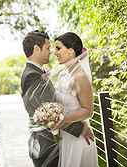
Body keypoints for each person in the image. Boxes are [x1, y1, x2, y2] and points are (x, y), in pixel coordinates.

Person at [21, 30, 88, 167]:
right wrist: (80, 128)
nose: (51, 51)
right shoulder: (32, 75)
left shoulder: (37, 72)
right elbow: (48, 110)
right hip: (45, 143)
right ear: (36, 49)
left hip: (52, 139)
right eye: (47, 48)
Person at [54, 32, 98, 167]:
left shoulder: (80, 76)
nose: (54, 52)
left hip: (78, 139)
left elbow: (88, 111)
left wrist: (60, 118)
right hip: (67, 135)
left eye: (58, 48)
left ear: (71, 51)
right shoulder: (64, 73)